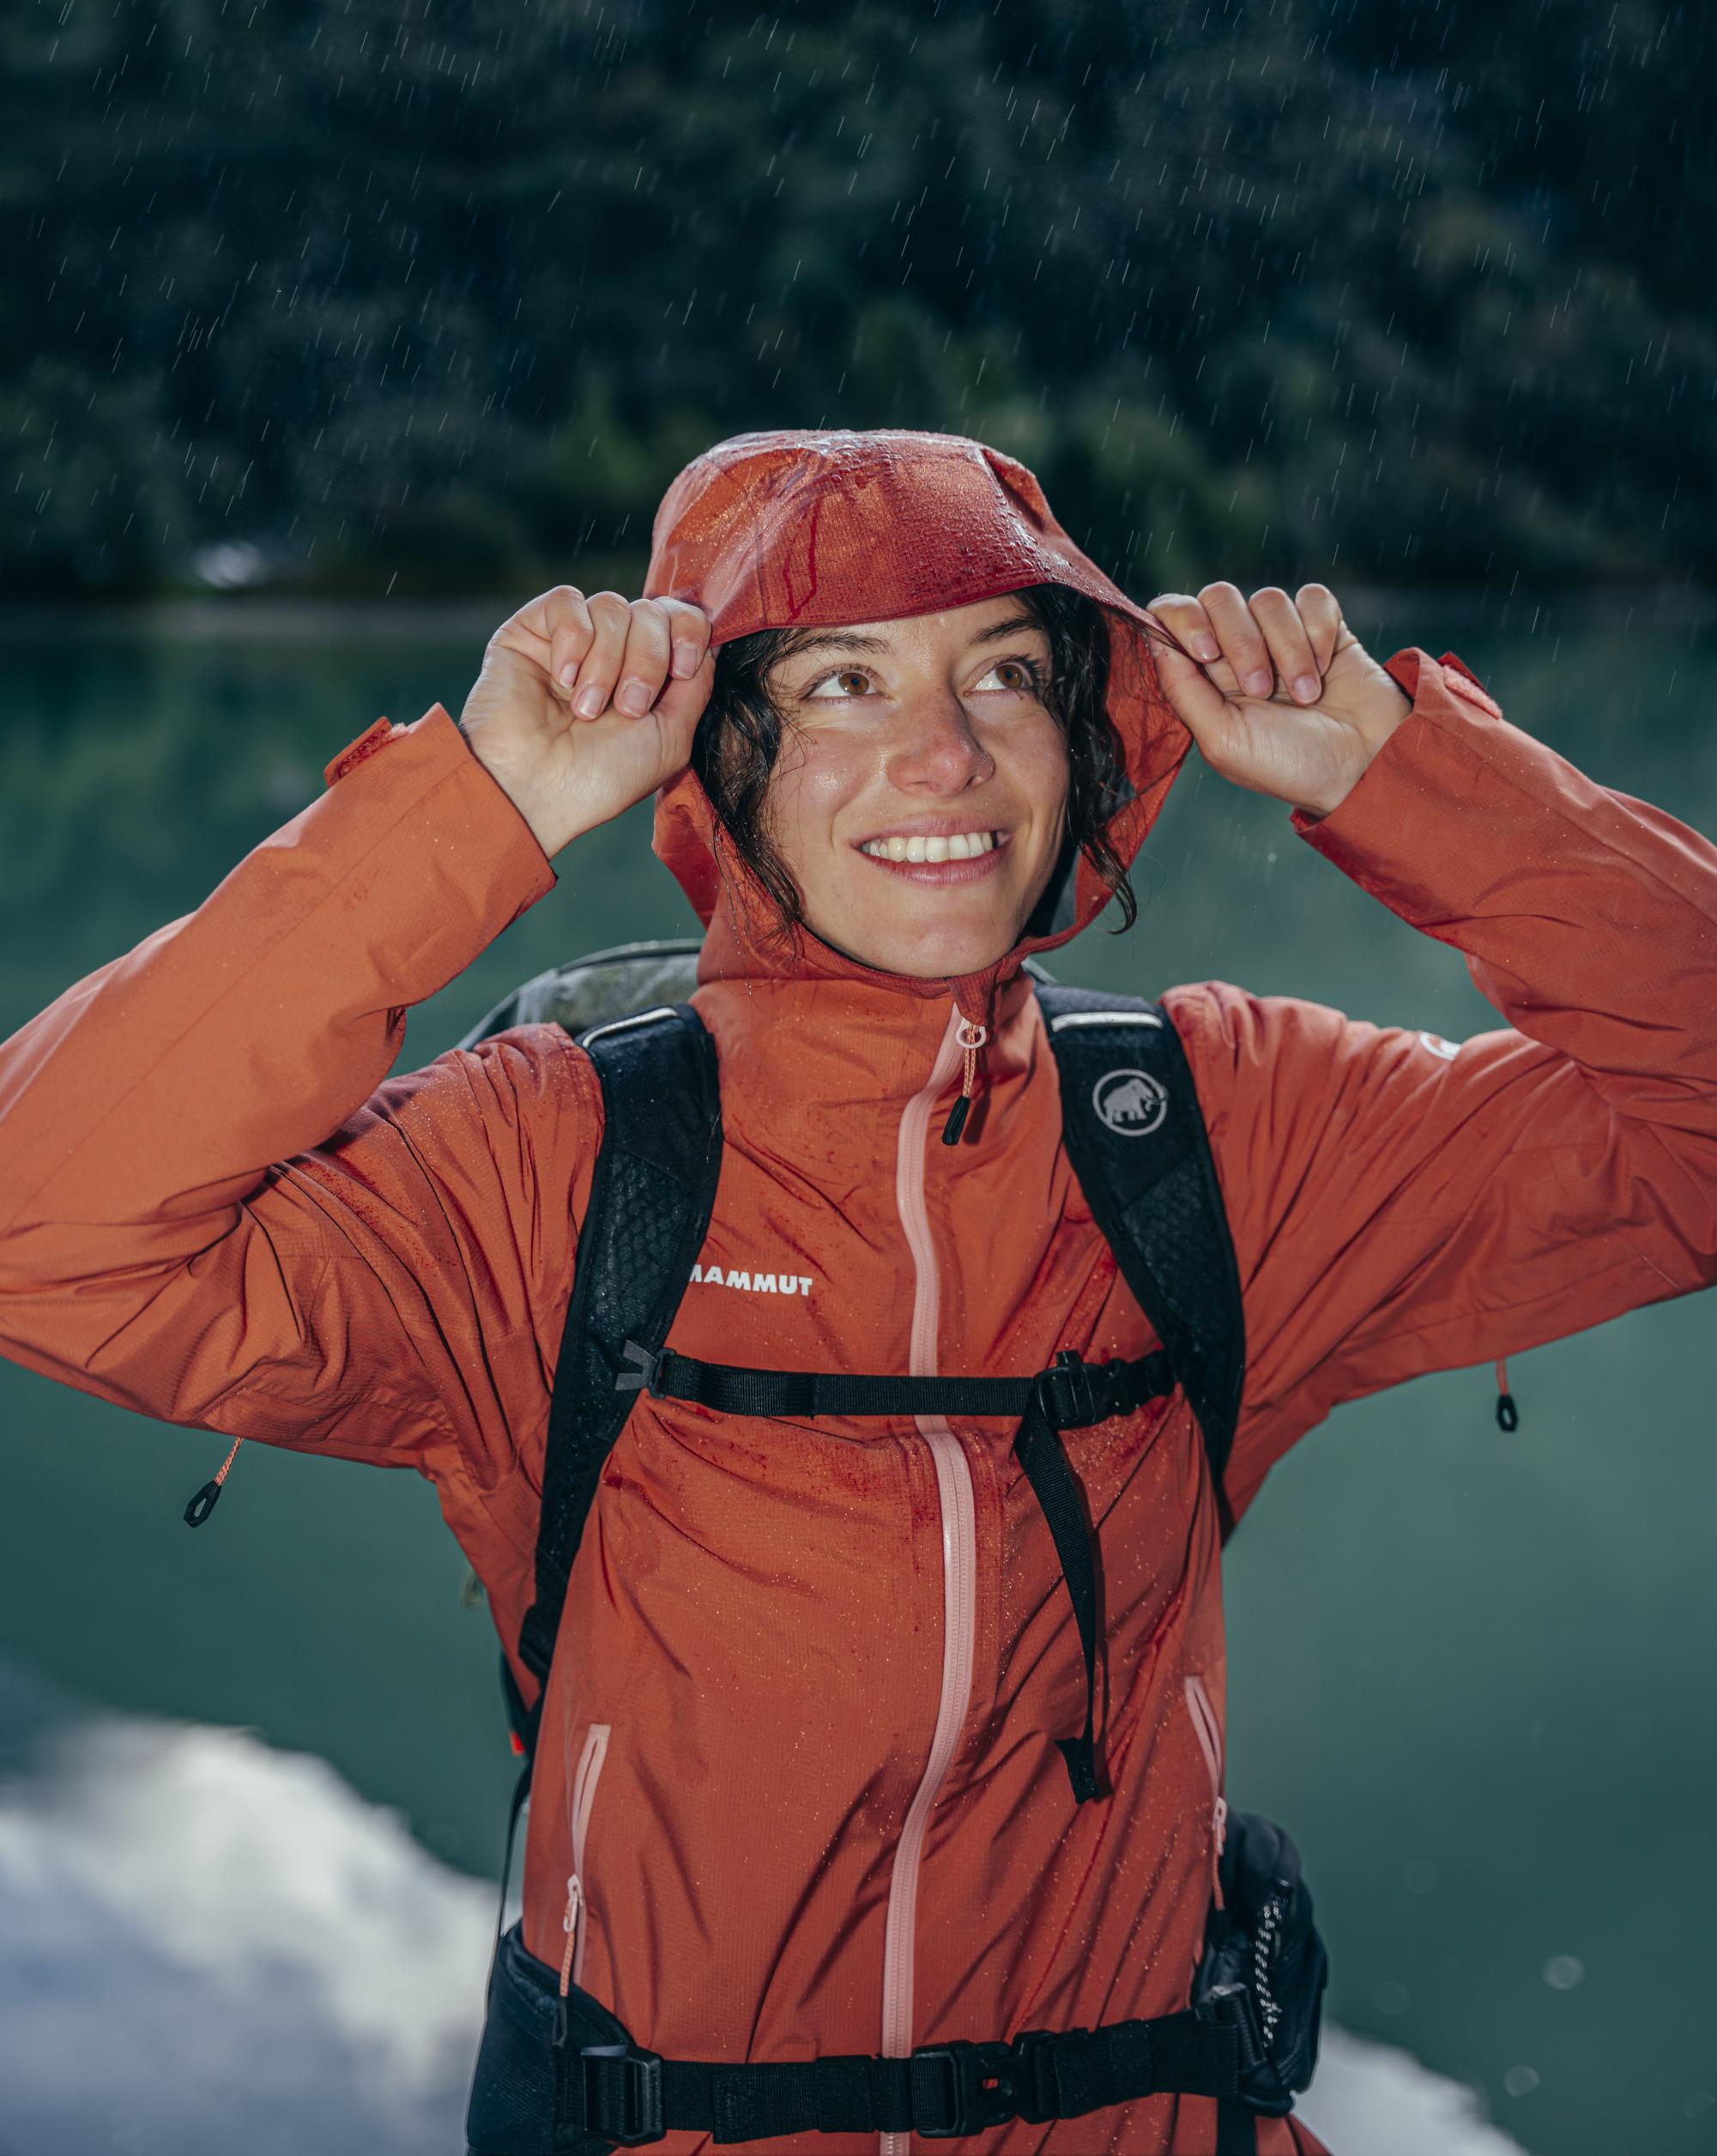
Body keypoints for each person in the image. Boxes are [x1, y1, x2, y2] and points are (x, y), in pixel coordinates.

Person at [1, 426, 1713, 2156]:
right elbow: (42, 1231)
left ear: (1083, 740)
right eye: (836, 684)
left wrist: (1403, 773)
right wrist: (476, 806)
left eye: (1006, 675)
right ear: (718, 754)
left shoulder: (1221, 1136)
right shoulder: (549, 1164)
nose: (943, 754)